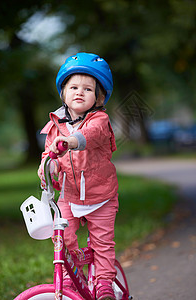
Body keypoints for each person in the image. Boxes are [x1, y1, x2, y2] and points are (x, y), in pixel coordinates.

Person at [38, 52, 119, 300]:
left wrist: (72, 141)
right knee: (63, 238)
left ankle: (104, 283)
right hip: (69, 196)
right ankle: (71, 279)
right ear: (63, 92)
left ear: (99, 97)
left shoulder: (99, 119)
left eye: (88, 88)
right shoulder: (55, 125)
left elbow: (92, 135)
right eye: (73, 87)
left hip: (101, 195)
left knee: (102, 243)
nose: (79, 92)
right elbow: (48, 154)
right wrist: (47, 167)